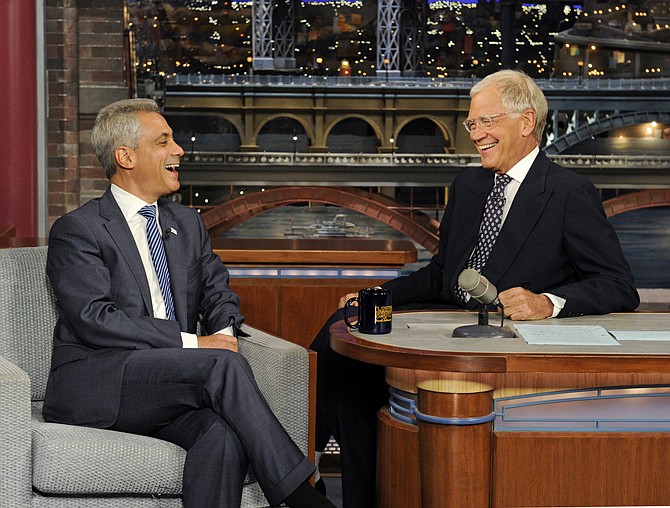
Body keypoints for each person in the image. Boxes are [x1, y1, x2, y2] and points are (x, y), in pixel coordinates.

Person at [310, 69, 640, 507]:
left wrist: (548, 303)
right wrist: (380, 295)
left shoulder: (567, 192)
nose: (477, 134)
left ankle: (299, 466)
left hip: (499, 351)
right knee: (344, 336)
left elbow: (618, 285)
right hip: (443, 323)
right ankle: (317, 471)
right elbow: (442, 275)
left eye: (488, 122)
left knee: (355, 375)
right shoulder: (467, 186)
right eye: (472, 124)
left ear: (525, 123)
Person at [43, 98, 335, 508]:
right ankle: (303, 496)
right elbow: (95, 319)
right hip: (100, 381)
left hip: (170, 383)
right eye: (164, 141)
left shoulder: (187, 223)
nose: (179, 150)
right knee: (220, 362)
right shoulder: (79, 229)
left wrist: (222, 332)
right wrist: (199, 345)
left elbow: (218, 294)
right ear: (125, 156)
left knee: (222, 433)